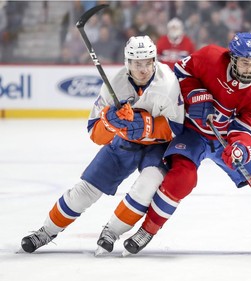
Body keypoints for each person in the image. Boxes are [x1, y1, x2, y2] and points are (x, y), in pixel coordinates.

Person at [121, 33, 251, 255]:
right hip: (192, 132)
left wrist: (239, 147)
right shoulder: (209, 57)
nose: (249, 68)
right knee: (182, 178)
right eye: (245, 62)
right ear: (232, 58)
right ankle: (147, 231)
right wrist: (197, 95)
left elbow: (247, 128)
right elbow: (180, 72)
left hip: (225, 137)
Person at [20, 35, 185, 253]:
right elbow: (94, 133)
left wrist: (146, 126)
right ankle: (46, 231)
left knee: (147, 185)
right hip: (125, 143)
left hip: (158, 146)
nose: (144, 69)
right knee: (85, 190)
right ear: (128, 63)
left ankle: (112, 232)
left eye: (148, 62)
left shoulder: (168, 83)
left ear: (154, 60)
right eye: (137, 63)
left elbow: (176, 128)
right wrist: (109, 123)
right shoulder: (114, 85)